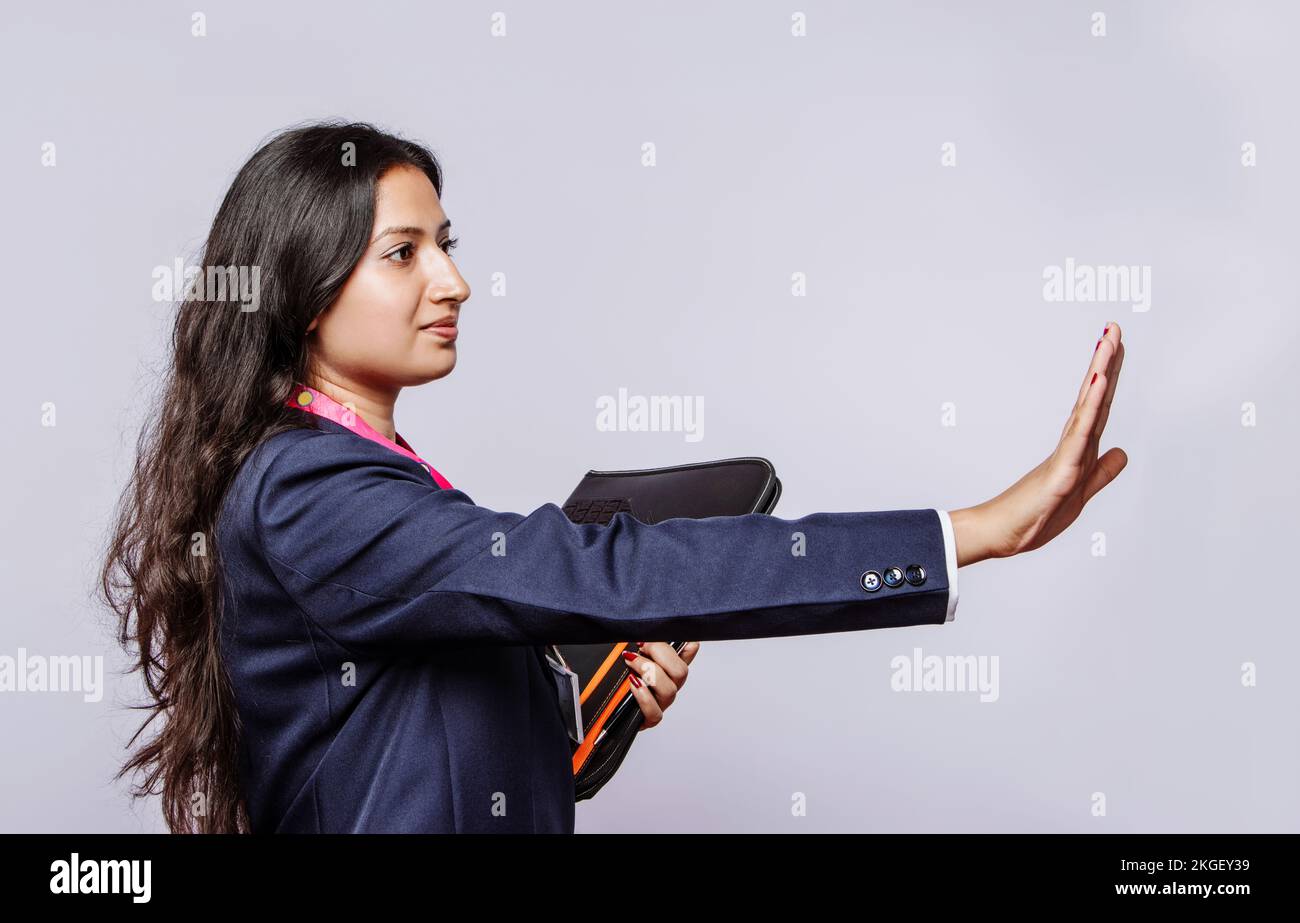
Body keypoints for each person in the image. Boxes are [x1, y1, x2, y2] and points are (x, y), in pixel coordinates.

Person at [100, 121, 1128, 834]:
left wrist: (586, 709)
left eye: (445, 246)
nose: (452, 280)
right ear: (303, 286)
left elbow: (423, 761)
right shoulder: (309, 493)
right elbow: (598, 568)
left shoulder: (367, 475)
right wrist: (972, 529)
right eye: (403, 253)